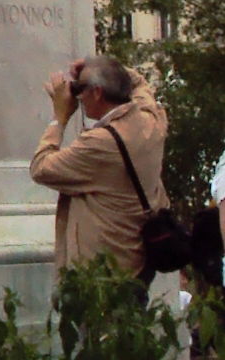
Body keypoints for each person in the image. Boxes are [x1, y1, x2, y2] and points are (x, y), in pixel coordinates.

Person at [29, 53, 167, 278]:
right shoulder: (150, 119)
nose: (78, 96)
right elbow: (139, 83)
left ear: (97, 93)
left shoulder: (101, 144)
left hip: (105, 275)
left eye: (81, 89)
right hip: (138, 262)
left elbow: (41, 167)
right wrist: (100, 69)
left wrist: (59, 118)